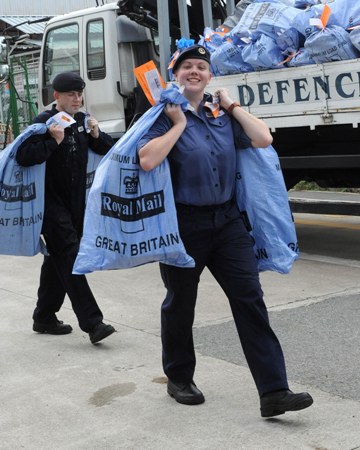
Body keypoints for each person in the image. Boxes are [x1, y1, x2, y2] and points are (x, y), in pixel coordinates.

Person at [137, 45, 313, 417]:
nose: (195, 71)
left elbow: (264, 138)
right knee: (181, 303)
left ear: (211, 76)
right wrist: (180, 124)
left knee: (250, 299)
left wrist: (232, 106)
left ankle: (274, 392)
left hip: (229, 222)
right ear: (176, 74)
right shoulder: (163, 114)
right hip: (185, 225)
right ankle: (179, 377)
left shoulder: (222, 116)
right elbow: (148, 159)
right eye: (187, 67)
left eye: (202, 66)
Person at [16, 71, 116, 345]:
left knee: (58, 257)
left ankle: (44, 316)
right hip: (49, 204)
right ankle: (93, 323)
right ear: (56, 96)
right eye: (71, 94)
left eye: (80, 94)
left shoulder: (83, 120)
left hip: (76, 203)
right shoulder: (42, 123)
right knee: (70, 254)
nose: (77, 99)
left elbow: (109, 149)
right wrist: (52, 140)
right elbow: (24, 156)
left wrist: (97, 135)